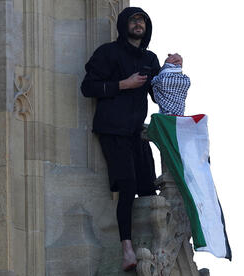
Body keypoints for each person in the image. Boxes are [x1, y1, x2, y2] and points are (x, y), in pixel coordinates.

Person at [81, 6, 182, 271]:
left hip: (137, 132)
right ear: (124, 23)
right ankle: (126, 249)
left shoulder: (150, 58)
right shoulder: (108, 52)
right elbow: (87, 87)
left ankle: (150, 251)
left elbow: (160, 94)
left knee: (148, 187)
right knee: (126, 186)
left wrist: (172, 70)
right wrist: (123, 84)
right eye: (135, 20)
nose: (139, 24)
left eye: (143, 21)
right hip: (113, 129)